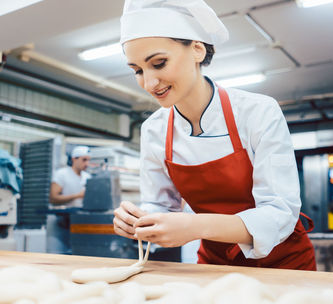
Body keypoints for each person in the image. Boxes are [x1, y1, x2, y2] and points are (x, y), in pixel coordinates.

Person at [113, 0, 316, 270]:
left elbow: (280, 213)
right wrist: (140, 218)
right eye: (137, 71)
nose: (148, 83)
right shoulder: (154, 129)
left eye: (159, 63)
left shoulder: (257, 112)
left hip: (285, 262)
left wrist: (195, 225)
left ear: (197, 49)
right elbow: (160, 205)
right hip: (215, 263)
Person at [47, 145, 91, 253]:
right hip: (61, 222)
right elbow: (53, 198)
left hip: (79, 222)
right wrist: (77, 196)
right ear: (74, 159)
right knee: (59, 254)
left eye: (88, 160)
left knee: (77, 253)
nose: (87, 164)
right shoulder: (62, 174)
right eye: (84, 160)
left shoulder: (87, 177)